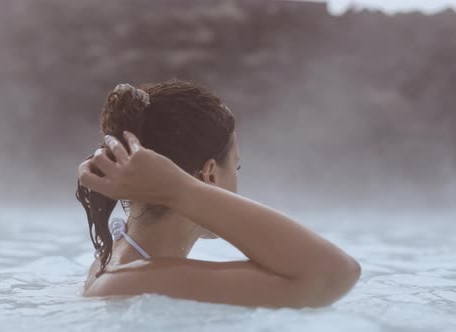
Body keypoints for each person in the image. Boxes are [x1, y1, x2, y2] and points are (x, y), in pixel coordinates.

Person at [76, 79, 360, 308]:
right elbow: (333, 274)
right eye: (236, 166)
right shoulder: (133, 282)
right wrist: (181, 189)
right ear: (209, 173)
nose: (237, 177)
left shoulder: (114, 265)